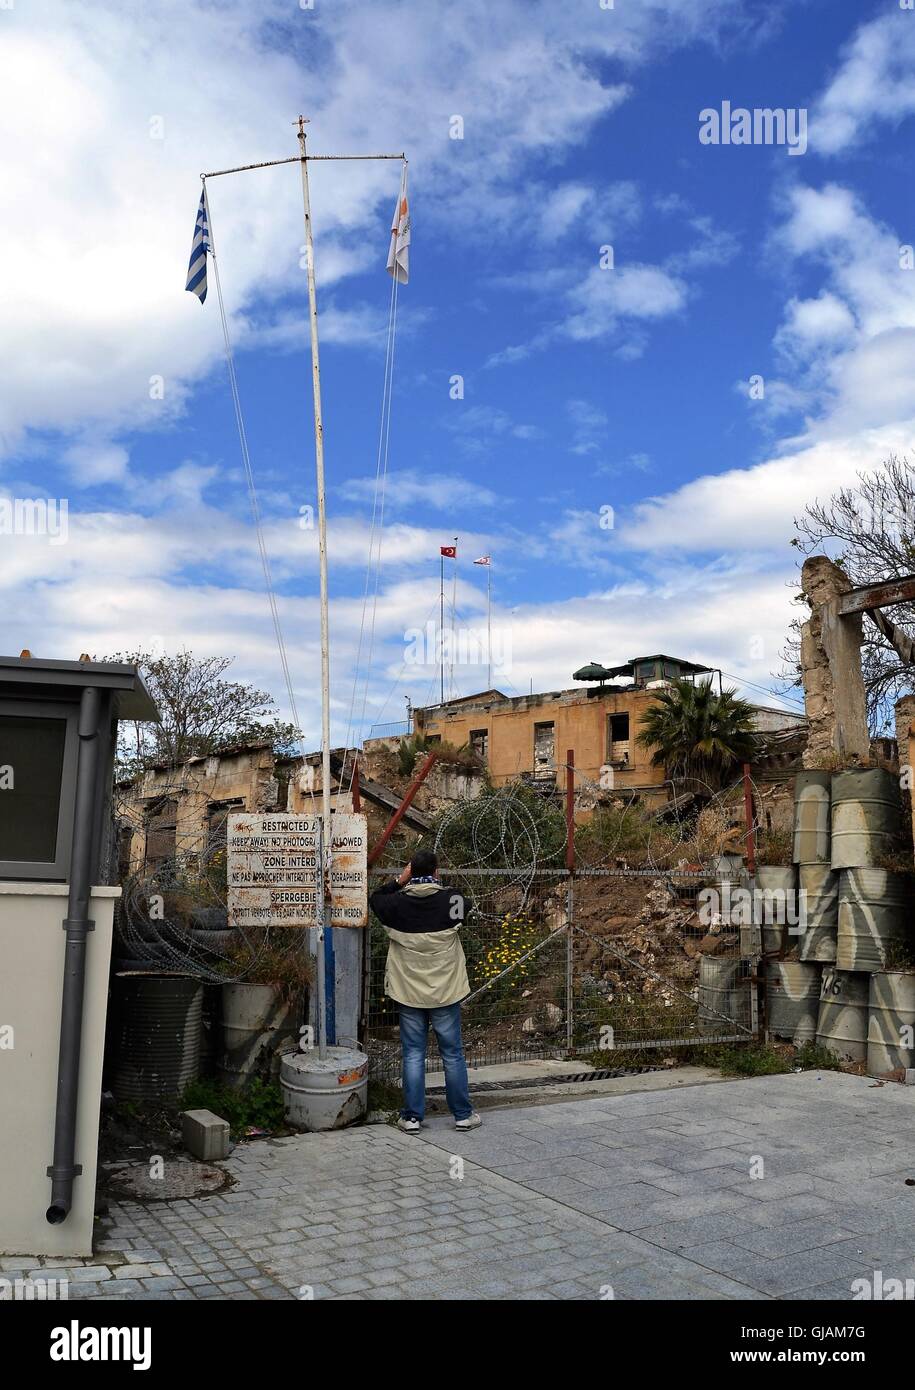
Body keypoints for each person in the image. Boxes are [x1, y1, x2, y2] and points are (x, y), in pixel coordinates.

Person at [369, 848, 481, 1134]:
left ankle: (412, 1117)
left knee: (414, 1054)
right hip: (445, 990)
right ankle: (462, 1115)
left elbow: (375, 899)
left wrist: (399, 880)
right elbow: (463, 907)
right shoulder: (452, 900)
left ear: (410, 872)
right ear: (436, 872)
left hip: (409, 992)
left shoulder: (394, 904)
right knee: (452, 1053)